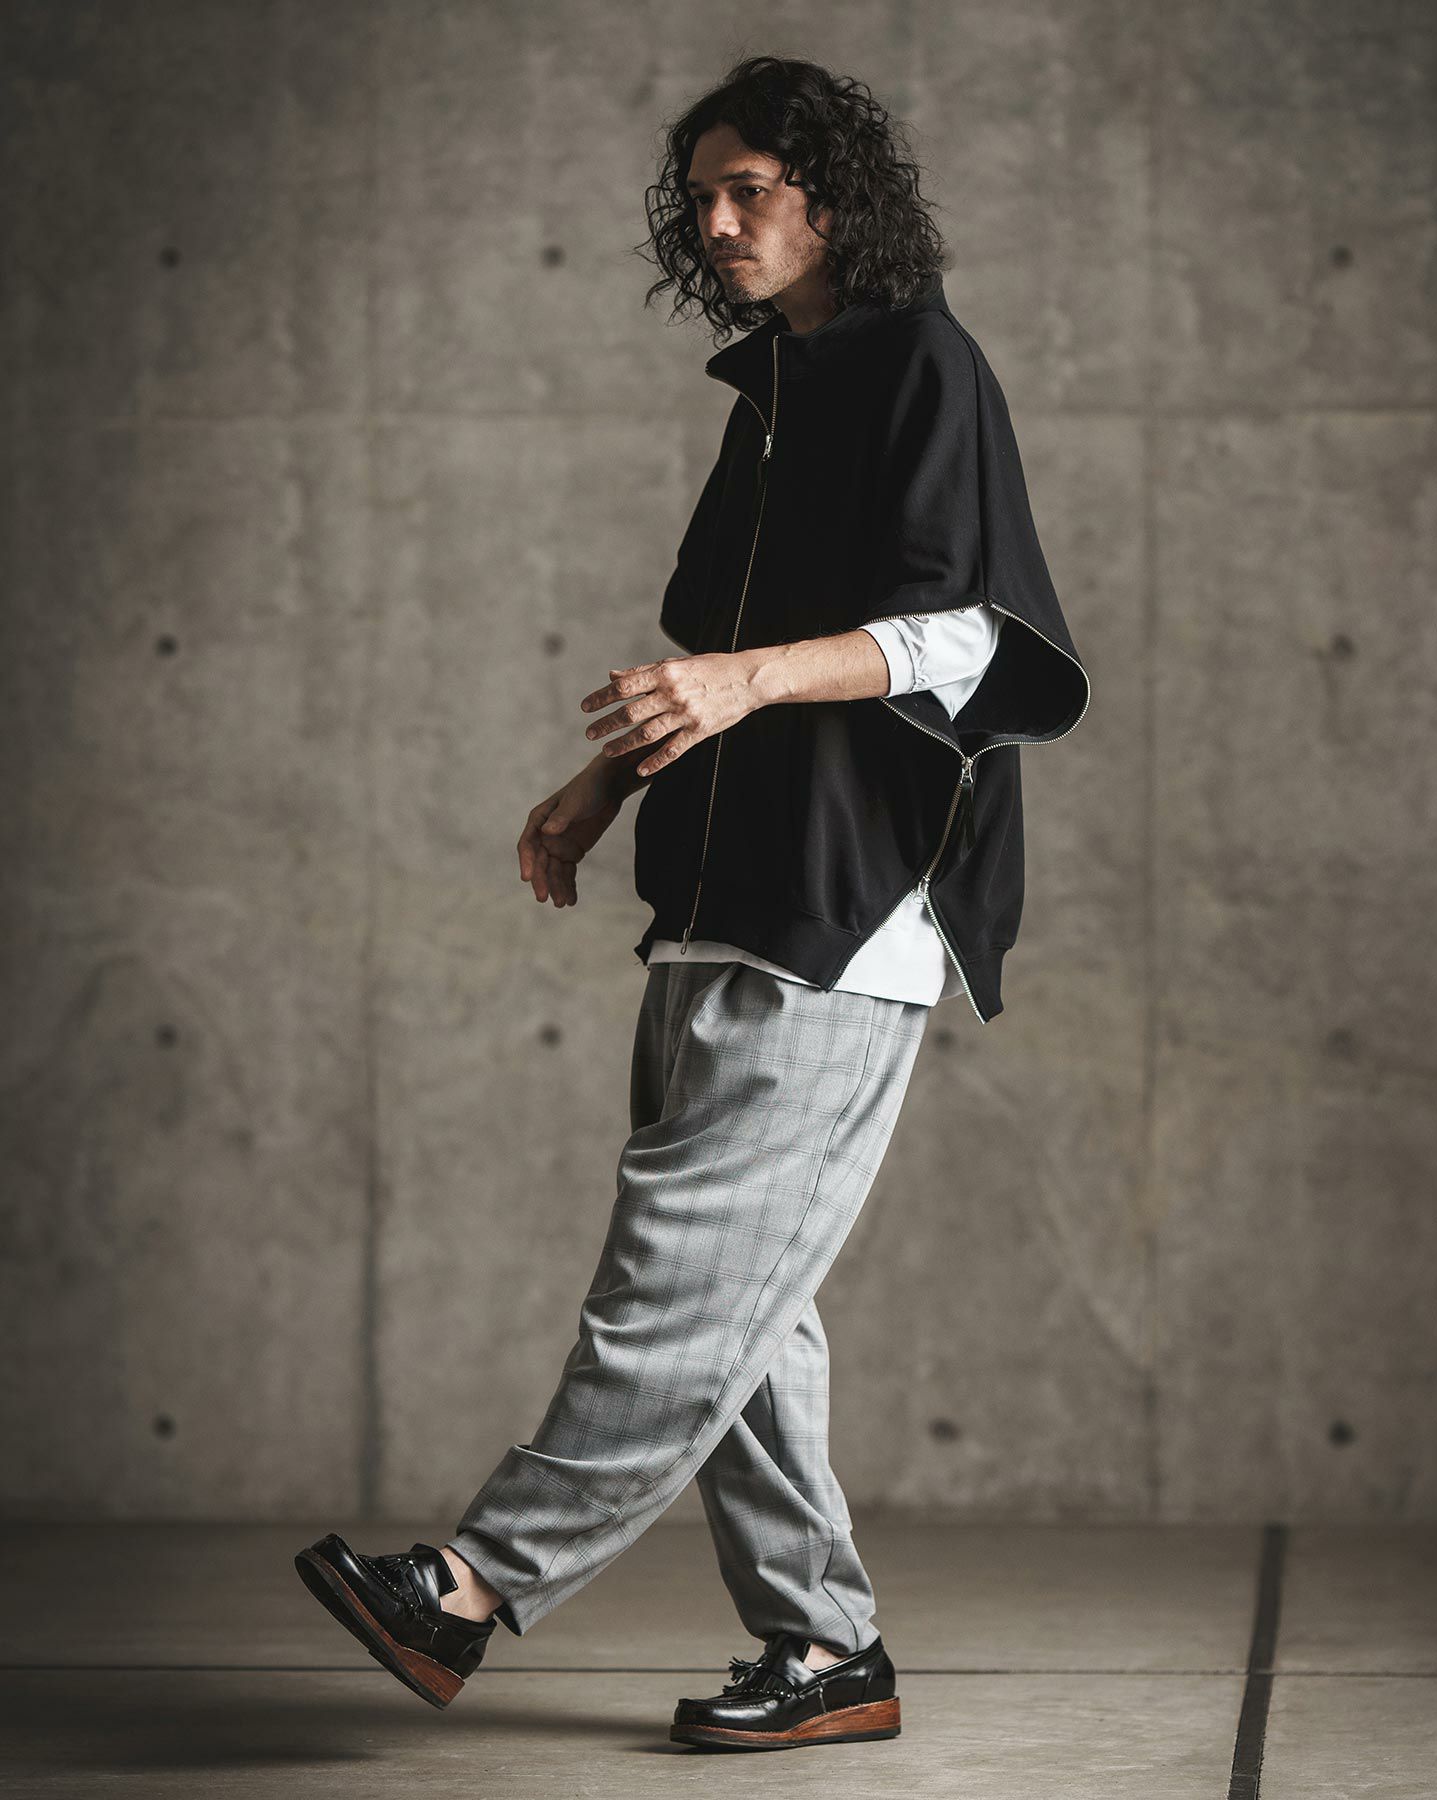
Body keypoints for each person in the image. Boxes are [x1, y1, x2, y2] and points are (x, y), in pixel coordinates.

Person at [294, 53, 1088, 1754]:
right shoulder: (774, 394)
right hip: (725, 879)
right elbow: (715, 664)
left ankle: (472, 1583)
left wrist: (744, 681)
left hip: (850, 896)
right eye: (702, 197)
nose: (719, 223)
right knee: (741, 1291)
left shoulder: (921, 366)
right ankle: (828, 1648)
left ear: (833, 202)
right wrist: (604, 783)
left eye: (753, 192)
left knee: (678, 1273)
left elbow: (975, 636)